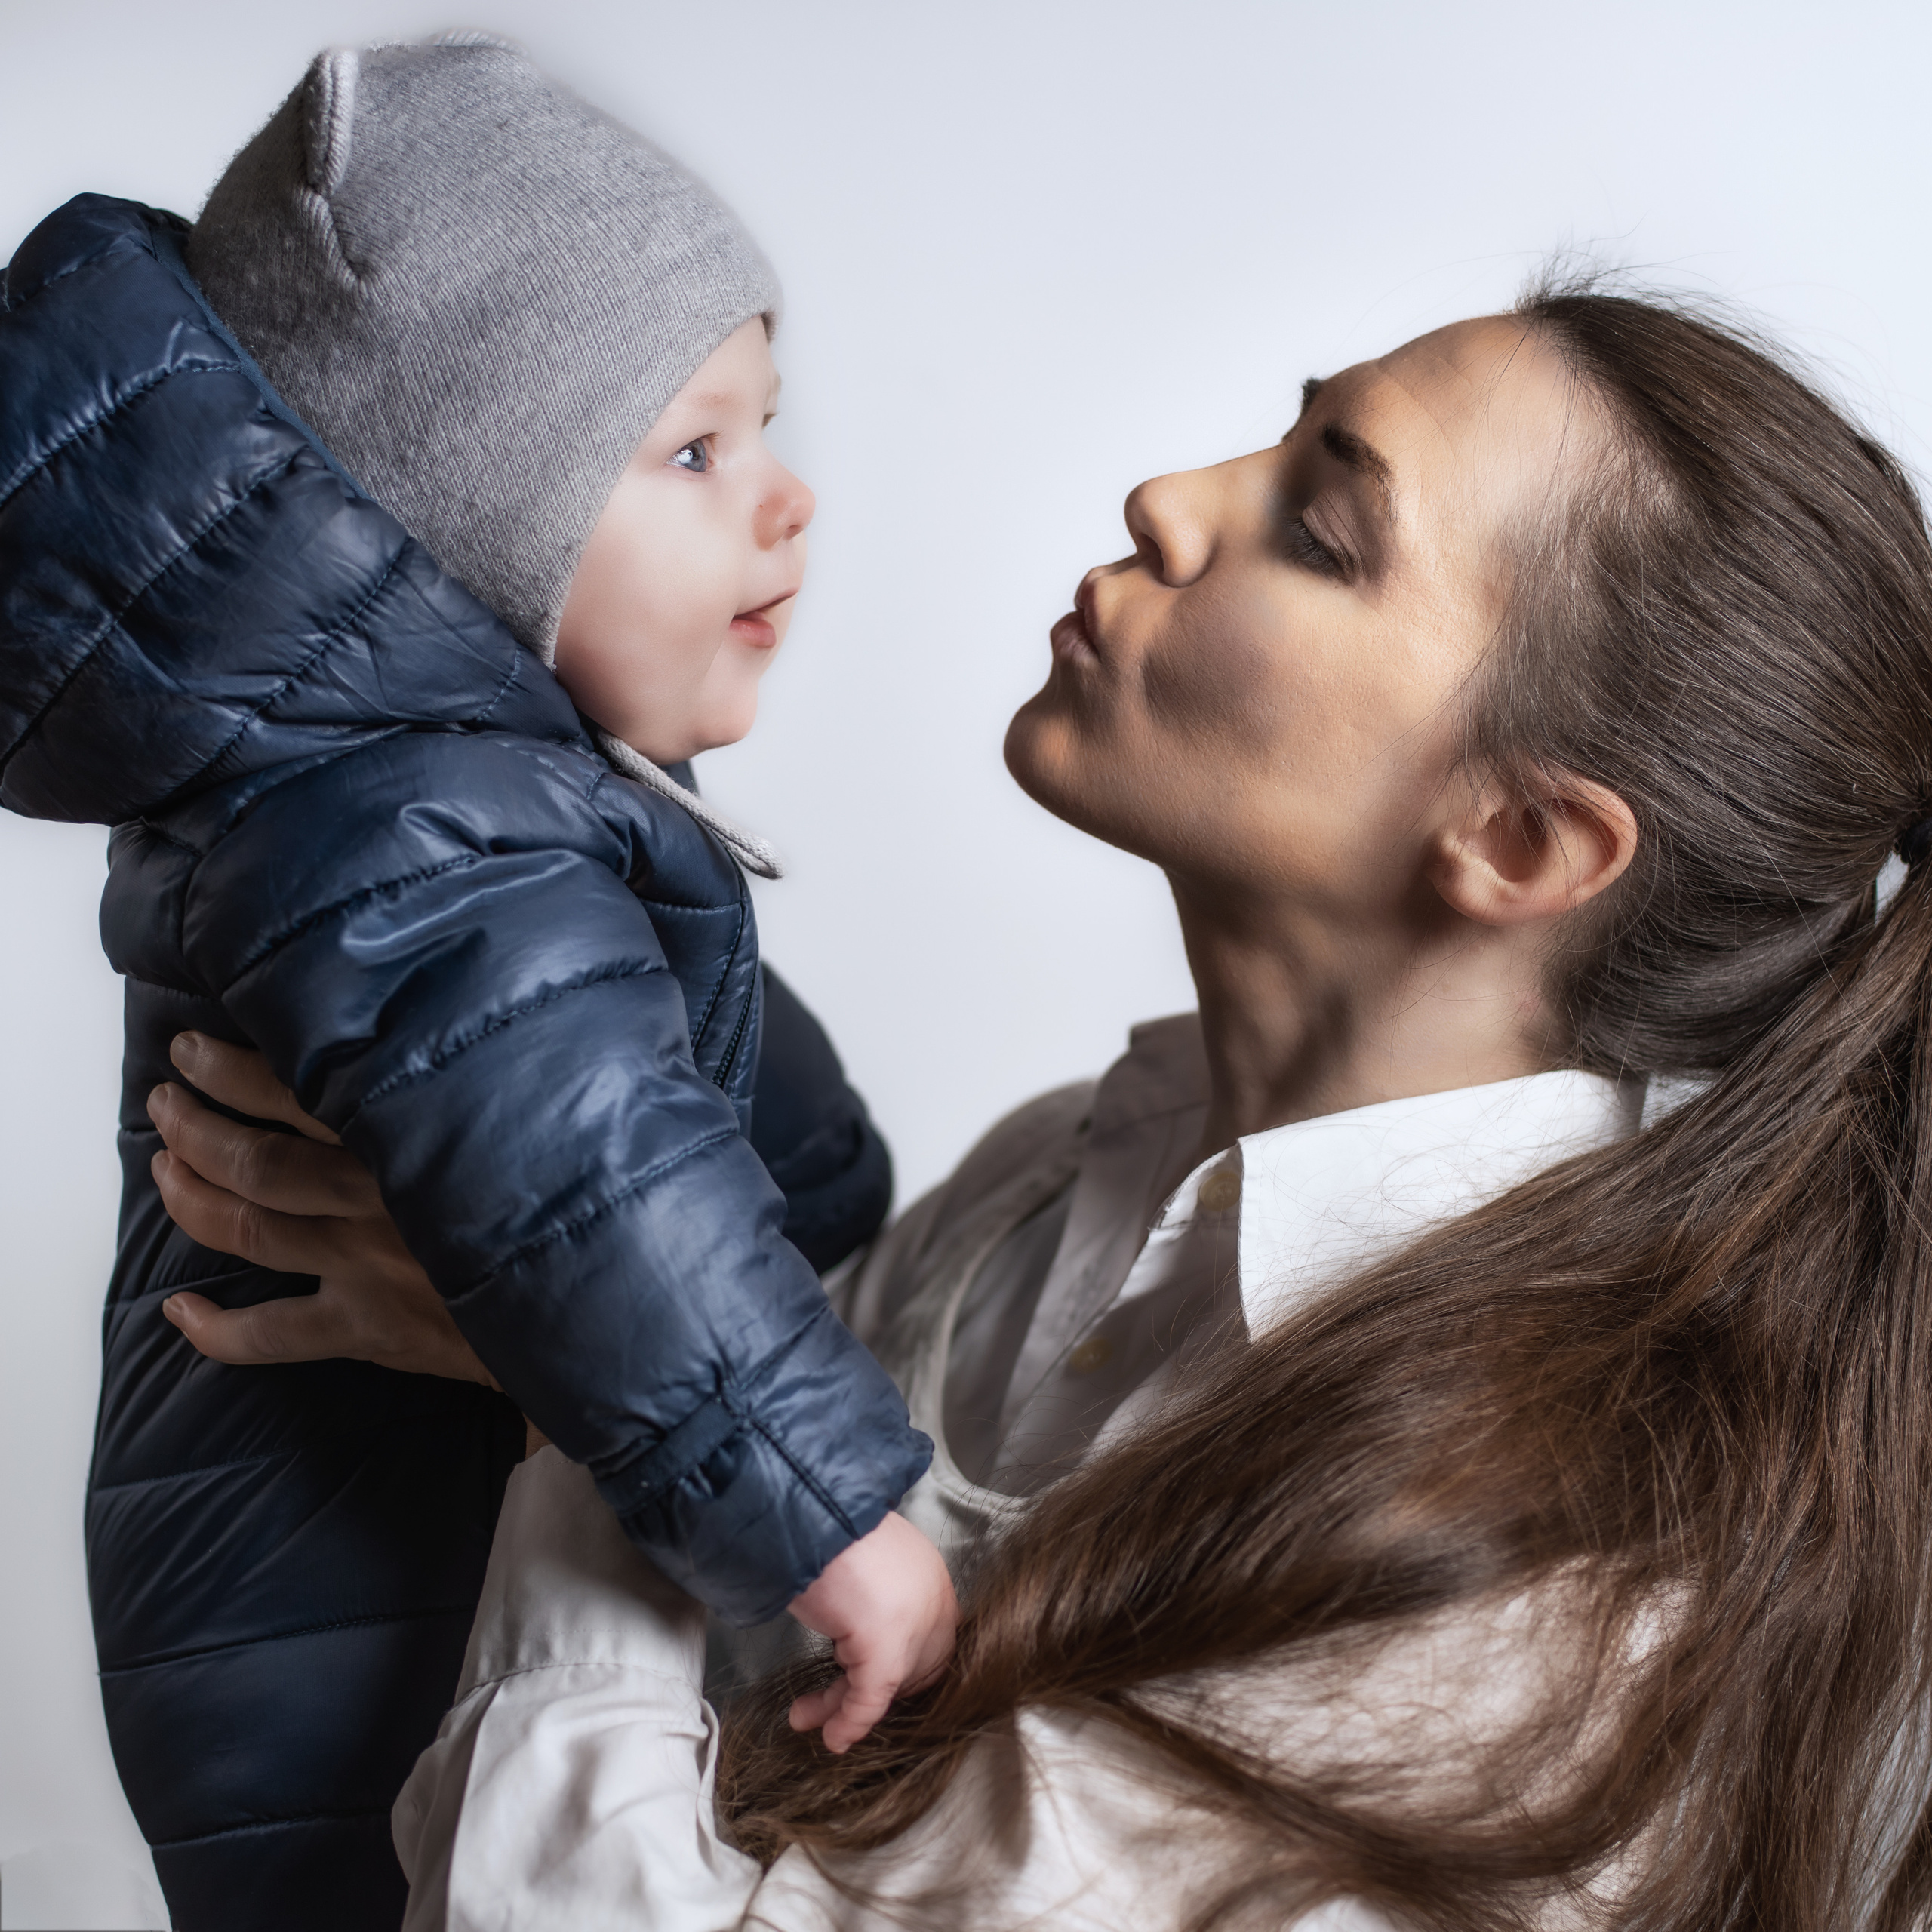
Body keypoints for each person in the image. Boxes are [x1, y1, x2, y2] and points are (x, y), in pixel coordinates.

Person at [152, 281, 1932, 1927]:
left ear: (1523, 840)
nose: (1169, 497)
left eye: (1321, 532)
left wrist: (595, 1384)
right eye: (1279, 433)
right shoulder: (1062, 1168)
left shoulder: (1519, 1581)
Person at [0, 35, 954, 1931]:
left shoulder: (431, 790)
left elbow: (652, 1088)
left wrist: (827, 1195)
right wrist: (825, 1510)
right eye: (693, 450)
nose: (785, 501)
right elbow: (579, 1150)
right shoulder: (421, 821)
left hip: (344, 1606)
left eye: (764, 430)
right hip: (359, 1647)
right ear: (449, 517)